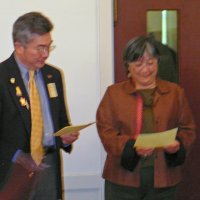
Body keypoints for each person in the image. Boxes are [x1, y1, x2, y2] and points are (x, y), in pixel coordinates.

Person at [96, 35, 196, 200]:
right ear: (128, 65)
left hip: (165, 178)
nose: (145, 69)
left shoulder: (175, 93)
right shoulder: (113, 94)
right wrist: (131, 146)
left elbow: (188, 128)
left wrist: (178, 144)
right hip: (122, 179)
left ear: (158, 62)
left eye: (150, 63)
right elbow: (106, 130)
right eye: (138, 63)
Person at [0, 12, 79, 200]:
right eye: (40, 48)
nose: (46, 54)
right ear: (19, 47)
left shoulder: (54, 75)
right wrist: (18, 157)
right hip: (12, 170)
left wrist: (65, 137)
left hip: (48, 164)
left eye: (49, 47)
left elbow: (61, 121)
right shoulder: (2, 77)